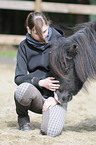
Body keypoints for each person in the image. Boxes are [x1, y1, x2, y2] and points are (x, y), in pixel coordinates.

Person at [14, 12, 67, 137]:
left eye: (45, 31)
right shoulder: (24, 46)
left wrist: (56, 98)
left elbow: (70, 76)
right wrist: (40, 82)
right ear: (29, 29)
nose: (43, 37)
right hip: (36, 96)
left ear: (48, 25)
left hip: (56, 97)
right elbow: (19, 78)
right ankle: (23, 117)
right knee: (21, 90)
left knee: (51, 132)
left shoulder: (62, 43)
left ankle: (50, 117)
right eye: (37, 33)